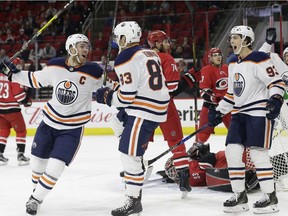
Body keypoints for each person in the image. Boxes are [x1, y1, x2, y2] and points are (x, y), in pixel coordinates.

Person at [0, 33, 104, 215]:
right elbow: (34, 79)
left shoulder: (94, 71)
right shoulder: (55, 65)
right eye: (82, 46)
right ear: (71, 47)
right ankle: (37, 192)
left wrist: (108, 93)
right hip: (48, 123)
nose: (86, 49)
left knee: (56, 167)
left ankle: (35, 198)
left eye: (87, 46)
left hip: (71, 129)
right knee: (37, 165)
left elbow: (107, 89)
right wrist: (13, 74)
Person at [94, 21, 170, 216]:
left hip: (144, 110)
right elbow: (139, 84)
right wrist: (114, 91)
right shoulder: (148, 52)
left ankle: (133, 199)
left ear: (123, 38)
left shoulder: (125, 57)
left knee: (128, 155)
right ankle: (137, 155)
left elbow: (127, 97)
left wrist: (108, 97)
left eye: (117, 37)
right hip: (154, 104)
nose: (115, 41)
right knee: (116, 121)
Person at [208, 25, 285, 214]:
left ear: (246, 39)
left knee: (258, 154)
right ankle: (239, 195)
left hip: (259, 112)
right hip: (238, 114)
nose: (231, 41)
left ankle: (270, 197)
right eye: (231, 37)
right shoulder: (233, 62)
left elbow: (276, 82)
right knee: (232, 152)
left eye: (235, 37)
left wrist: (275, 99)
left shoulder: (260, 58)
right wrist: (219, 110)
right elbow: (232, 93)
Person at [147, 30, 201, 195]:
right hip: (163, 106)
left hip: (144, 105)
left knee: (138, 141)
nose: (169, 44)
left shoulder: (142, 58)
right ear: (157, 43)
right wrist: (189, 79)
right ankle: (184, 178)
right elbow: (171, 88)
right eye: (165, 41)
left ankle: (132, 169)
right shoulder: (167, 58)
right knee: (176, 141)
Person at [194, 47, 230, 145]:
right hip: (211, 107)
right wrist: (215, 98)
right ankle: (195, 154)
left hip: (227, 106)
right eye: (215, 55)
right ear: (210, 58)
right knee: (202, 135)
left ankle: (242, 156)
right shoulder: (206, 70)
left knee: (235, 133)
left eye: (219, 55)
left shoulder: (227, 68)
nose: (218, 57)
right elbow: (204, 91)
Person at [0, 57, 31, 166]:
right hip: (12, 110)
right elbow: (19, 96)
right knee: (21, 131)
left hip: (0, 110)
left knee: (4, 130)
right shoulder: (13, 77)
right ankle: (21, 156)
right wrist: (27, 101)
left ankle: (0, 154)